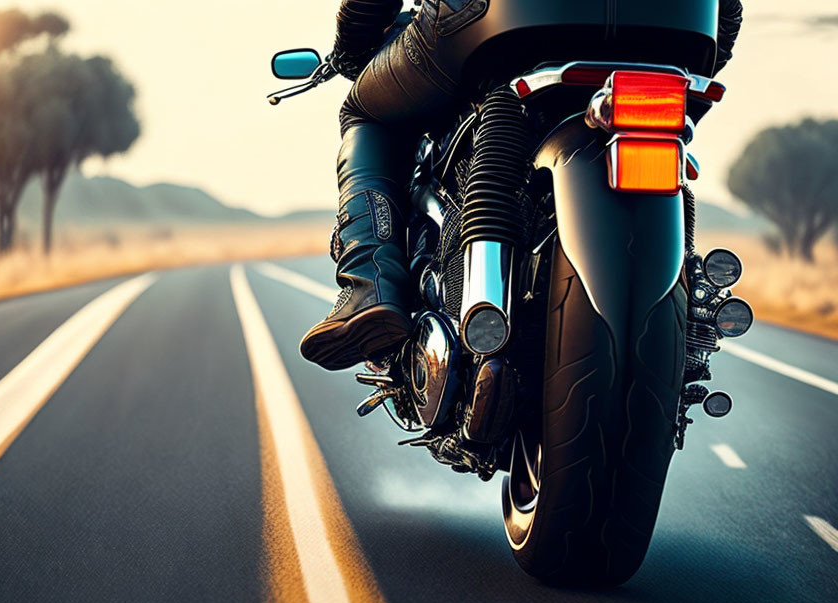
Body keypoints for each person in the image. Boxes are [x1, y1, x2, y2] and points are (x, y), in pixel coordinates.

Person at [300, 0, 744, 371]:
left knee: (365, 111)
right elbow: (729, 11)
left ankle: (370, 284)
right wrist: (703, 46)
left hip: (502, 19)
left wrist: (353, 46)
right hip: (676, 26)